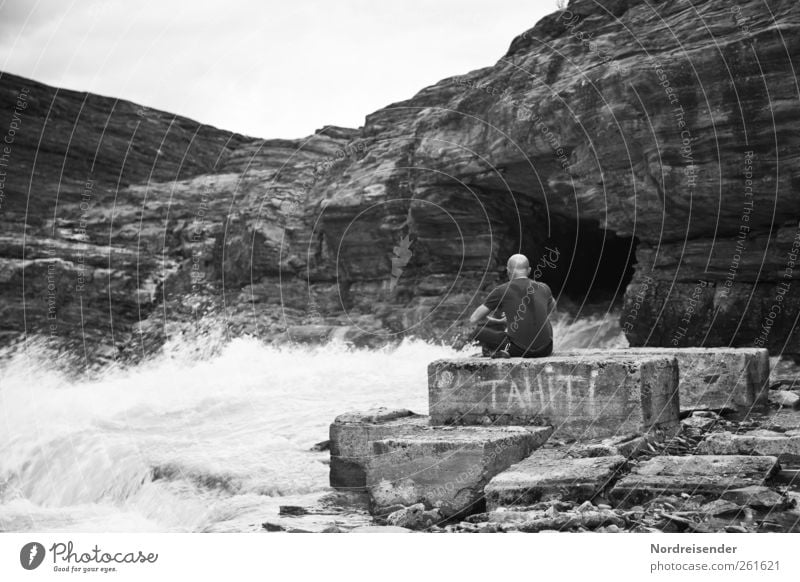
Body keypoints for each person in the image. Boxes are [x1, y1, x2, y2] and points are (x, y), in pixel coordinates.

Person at [456, 254, 555, 358]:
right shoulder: (544, 288)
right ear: (529, 270)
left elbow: (474, 318)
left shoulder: (501, 290)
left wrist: (497, 321)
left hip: (518, 349)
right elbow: (552, 306)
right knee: (546, 321)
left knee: (475, 330)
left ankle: (496, 352)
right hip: (546, 349)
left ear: (508, 271)